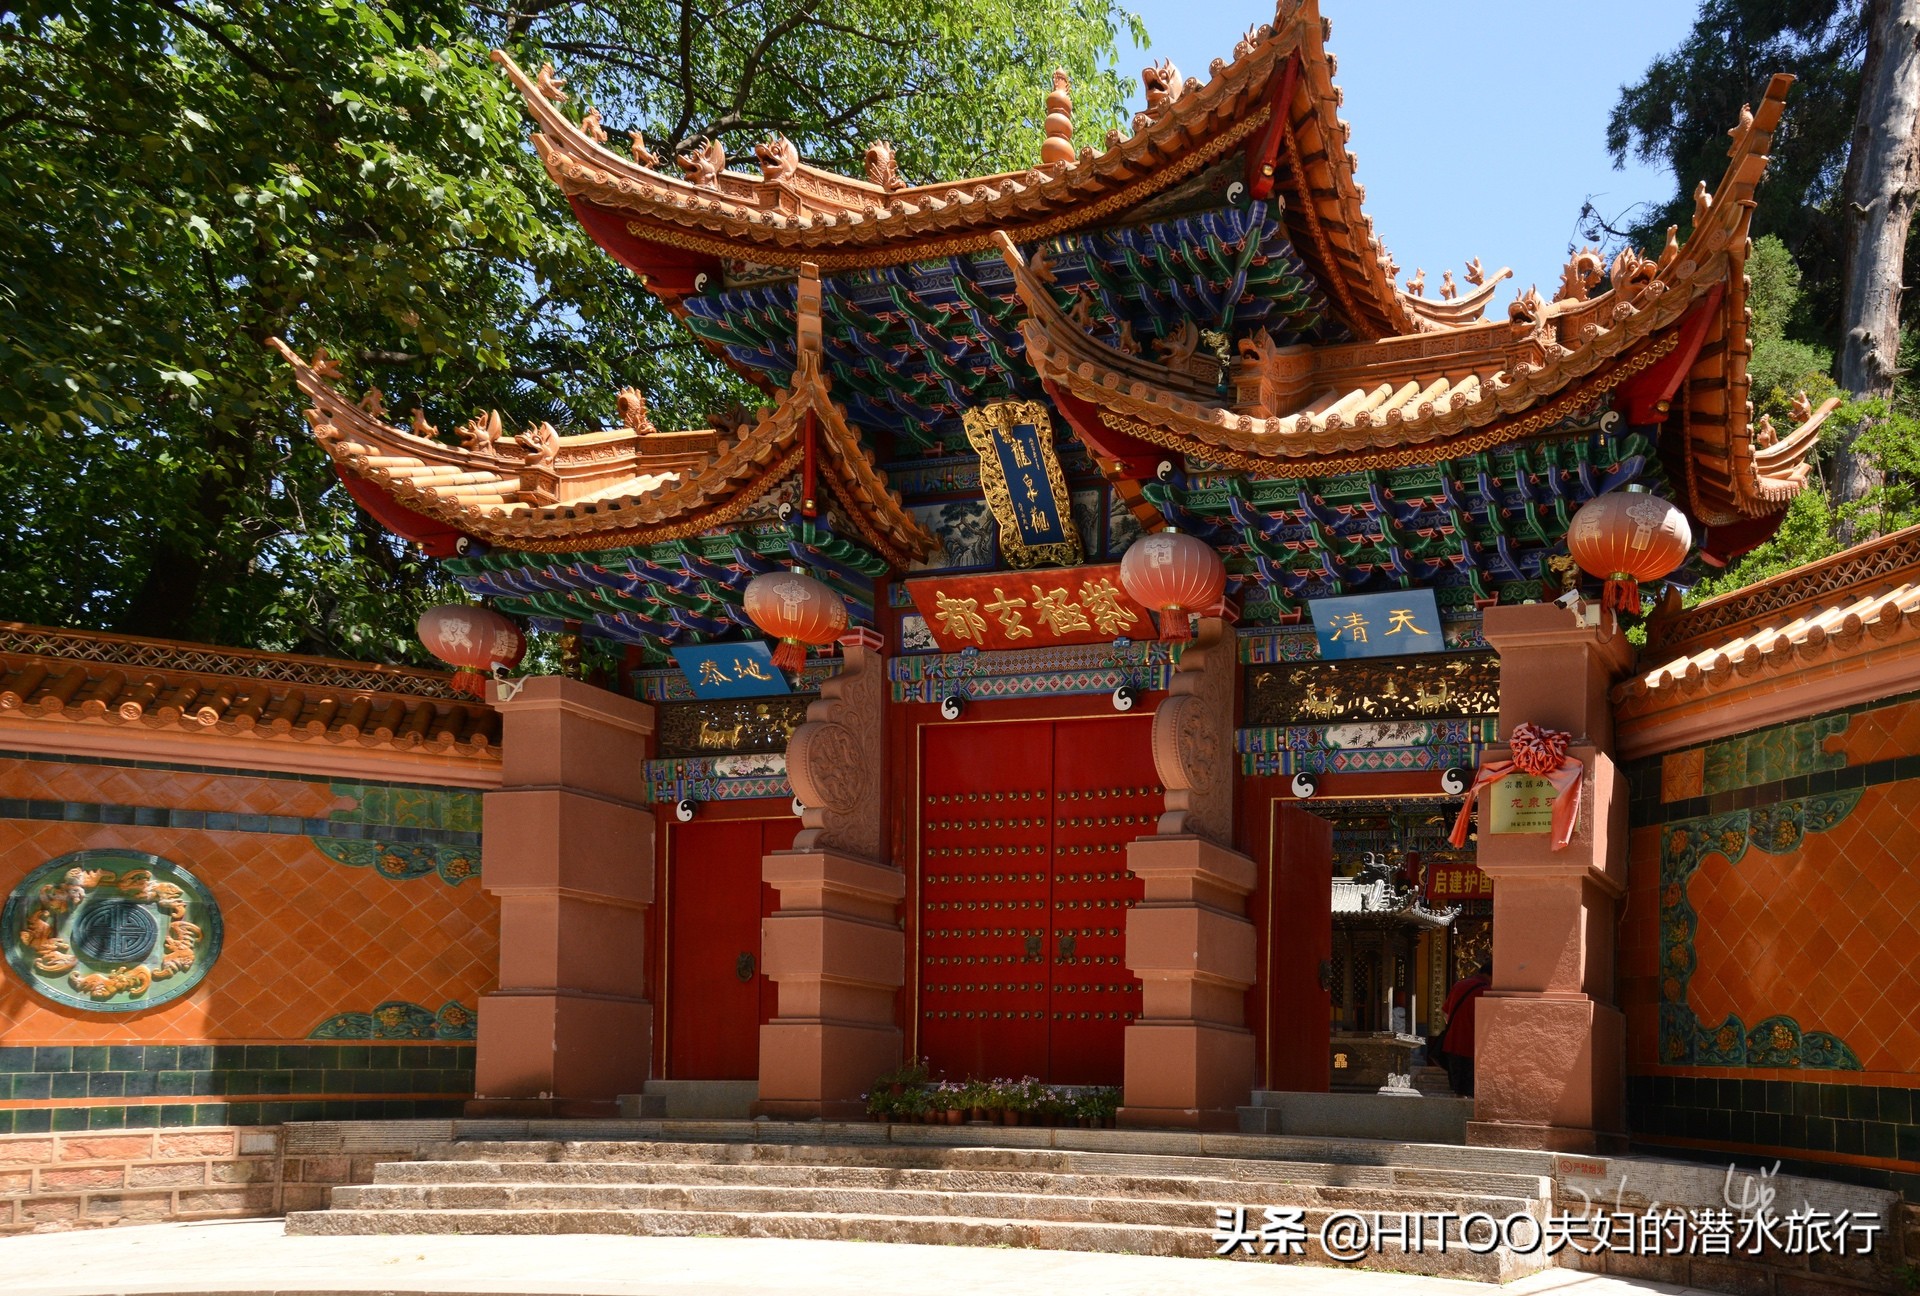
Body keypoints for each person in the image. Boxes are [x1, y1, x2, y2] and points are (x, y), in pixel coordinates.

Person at [1440, 959, 1491, 1097]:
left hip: (1452, 1043)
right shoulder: (1488, 990)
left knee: (1458, 1090)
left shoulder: (1459, 985)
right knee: (1473, 1091)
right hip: (1474, 1046)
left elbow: (1445, 1013)